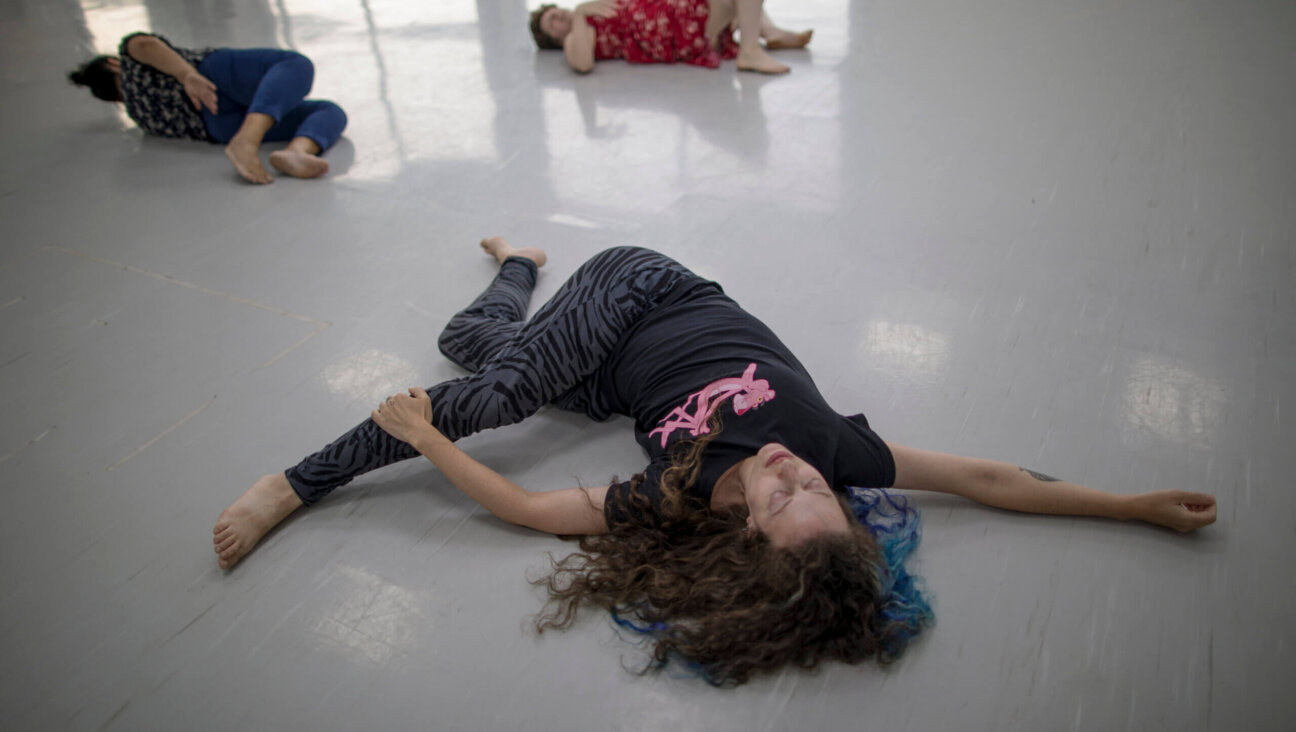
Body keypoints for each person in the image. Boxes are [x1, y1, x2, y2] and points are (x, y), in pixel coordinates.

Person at [213, 240, 1218, 685]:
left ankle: (514, 271)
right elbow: (990, 480)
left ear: (749, 528)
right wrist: (1128, 502)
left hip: (609, 376)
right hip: (645, 290)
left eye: (785, 495)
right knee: (504, 392)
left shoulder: (677, 494)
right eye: (816, 486)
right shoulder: (834, 446)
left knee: (472, 349)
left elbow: (522, 507)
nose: (791, 467)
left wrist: (429, 439)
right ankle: (295, 482)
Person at [68, 32, 347, 184]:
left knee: (326, 110)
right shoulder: (128, 58)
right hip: (209, 79)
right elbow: (145, 44)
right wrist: (187, 74)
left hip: (216, 128)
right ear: (113, 64)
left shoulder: (139, 117)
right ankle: (255, 140)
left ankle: (294, 153)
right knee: (295, 67)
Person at [529, 0, 813, 74]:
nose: (559, 17)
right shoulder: (574, 36)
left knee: (735, 6)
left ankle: (769, 33)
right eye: (552, 22)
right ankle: (751, 48)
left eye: (557, 12)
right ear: (552, 39)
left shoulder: (588, 12)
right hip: (667, 28)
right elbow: (583, 64)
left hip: (665, 12)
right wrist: (579, 14)